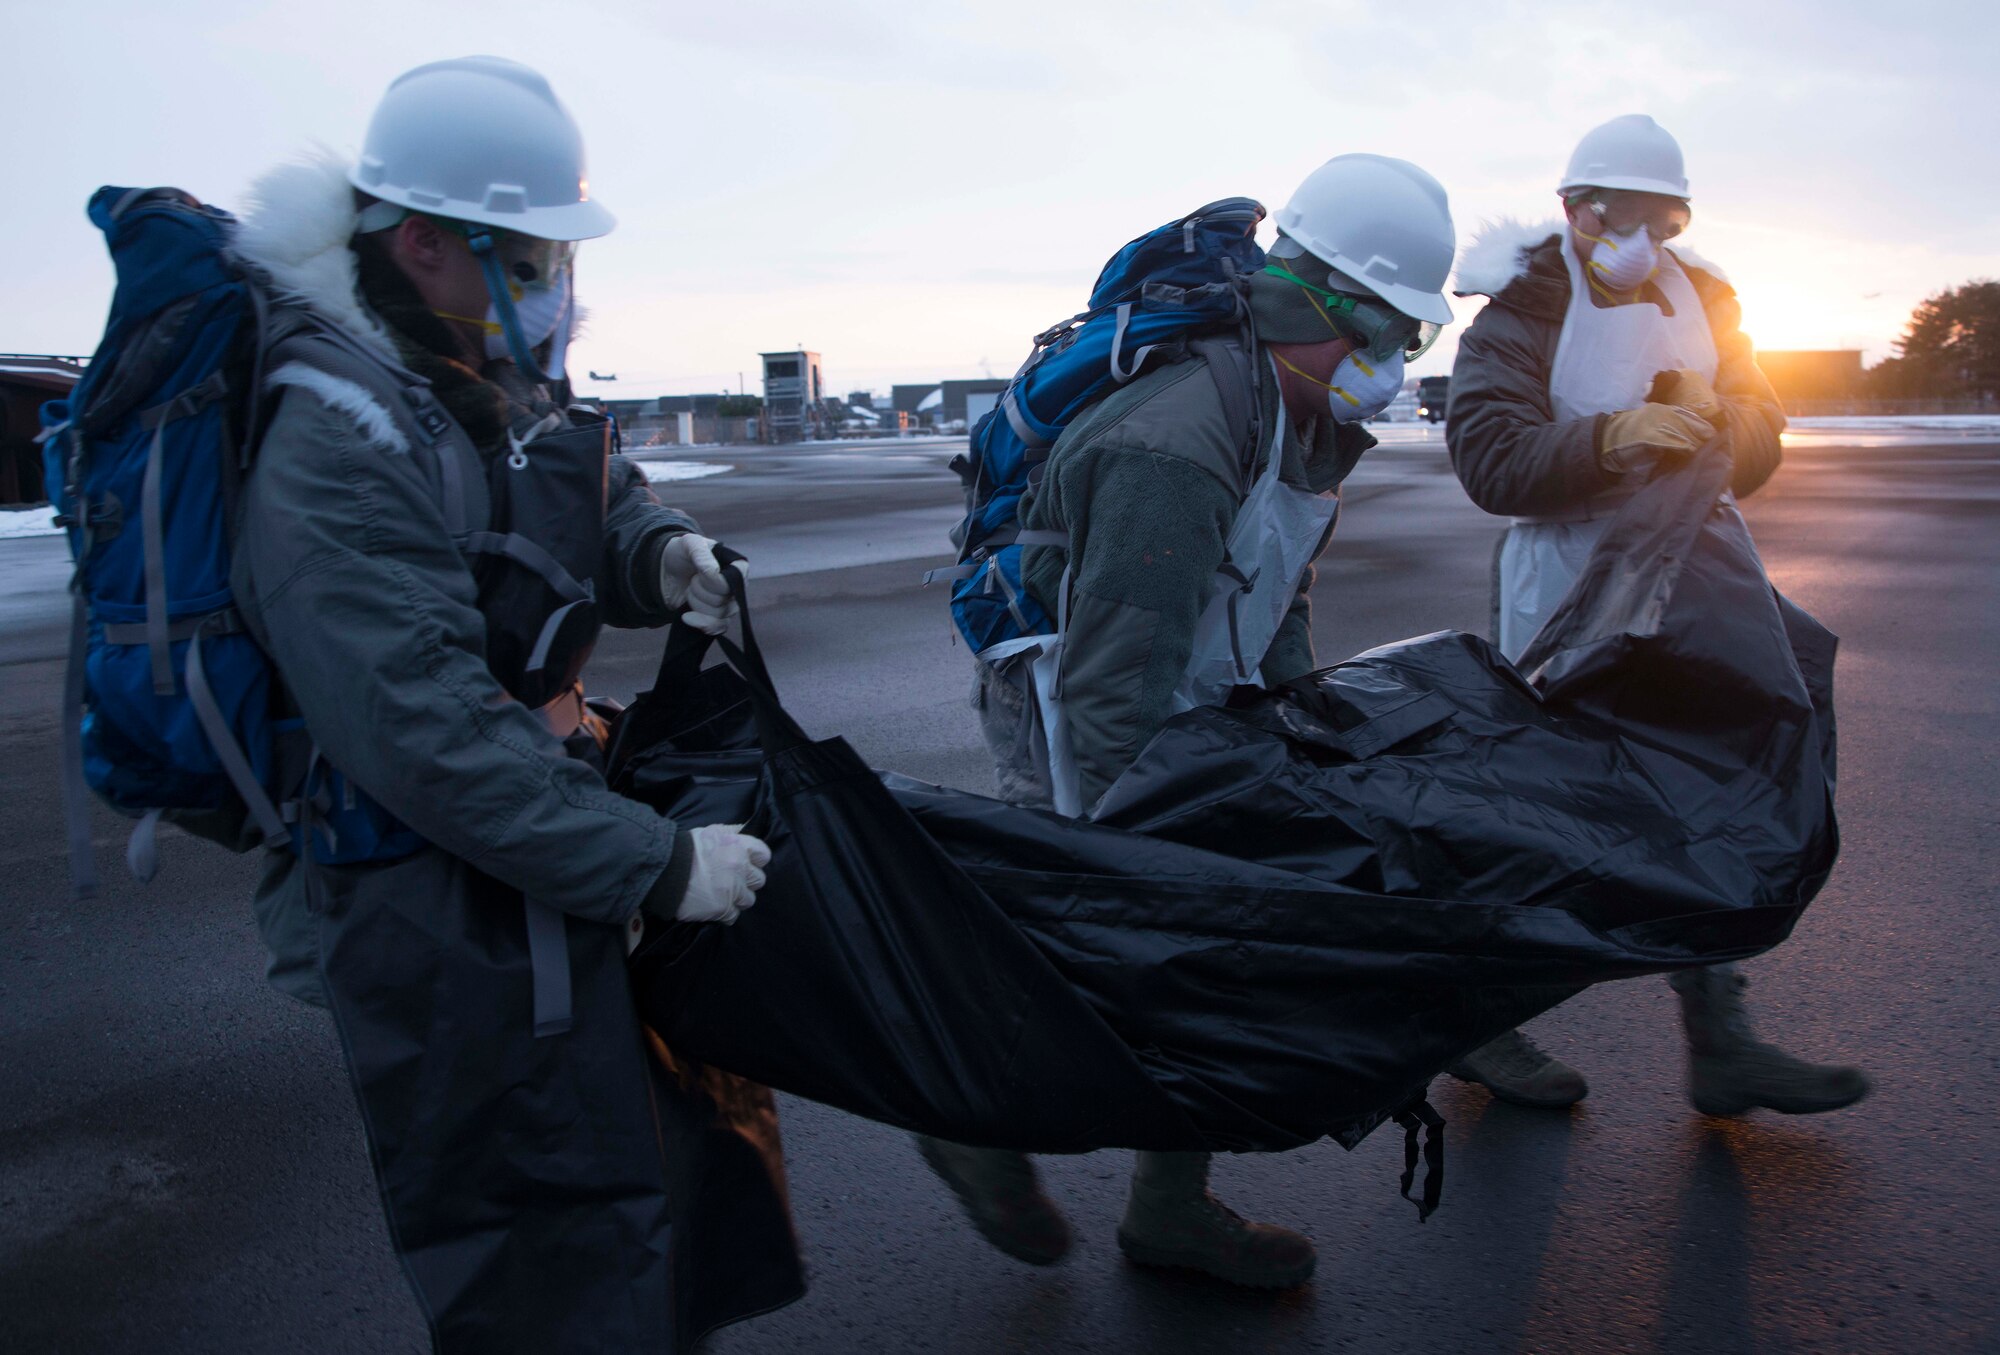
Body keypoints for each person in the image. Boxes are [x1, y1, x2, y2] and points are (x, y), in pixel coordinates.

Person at [227, 56, 796, 1350]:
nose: (558, 293)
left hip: (529, 851)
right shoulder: (326, 430)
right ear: (423, 241)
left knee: (637, 1181)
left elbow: (571, 490)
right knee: (538, 1235)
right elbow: (420, 726)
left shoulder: (458, 360)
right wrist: (651, 862)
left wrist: (657, 552)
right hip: (427, 900)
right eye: (534, 261)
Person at [917, 154, 1459, 1289]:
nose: (1396, 369)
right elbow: (1110, 682)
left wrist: (1303, 728)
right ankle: (970, 1119)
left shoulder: (1287, 410)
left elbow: (1274, 579)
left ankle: (1166, 1206)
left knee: (1206, 942)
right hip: (1075, 691)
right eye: (1392, 340)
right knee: (1092, 935)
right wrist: (1132, 854)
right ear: (1321, 307)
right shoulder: (1179, 435)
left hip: (1180, 672)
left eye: (1412, 345)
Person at [1444, 113, 1871, 1118]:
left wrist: (1720, 421)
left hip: (1691, 565)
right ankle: (1474, 1021)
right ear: (1568, 209)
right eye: (1611, 212)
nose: (1634, 236)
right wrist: (1611, 436)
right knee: (1546, 813)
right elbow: (1488, 460)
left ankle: (1718, 1038)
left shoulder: (1706, 299)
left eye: (1658, 215)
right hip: (1566, 580)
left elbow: (1764, 429)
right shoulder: (1519, 311)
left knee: (1713, 792)